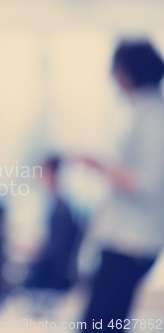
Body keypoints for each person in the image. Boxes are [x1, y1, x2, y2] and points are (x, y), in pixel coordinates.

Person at [78, 40, 164, 332]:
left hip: (132, 242)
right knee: (106, 322)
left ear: (128, 71)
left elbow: (147, 182)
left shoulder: (154, 118)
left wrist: (101, 165)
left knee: (99, 325)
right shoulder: (144, 113)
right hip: (126, 239)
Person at [24, 155, 82, 315]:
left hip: (52, 277)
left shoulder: (60, 210)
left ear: (51, 174)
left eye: (41, 172)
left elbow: (55, 251)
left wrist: (32, 259)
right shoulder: (60, 206)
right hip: (55, 273)